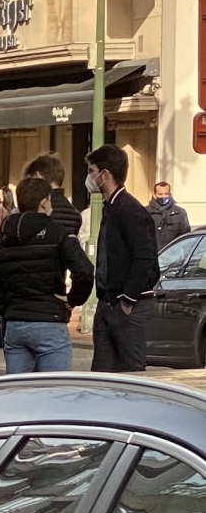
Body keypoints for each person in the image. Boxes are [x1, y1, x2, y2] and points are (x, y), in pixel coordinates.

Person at [0, 176, 93, 375]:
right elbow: (84, 270)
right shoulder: (58, 233)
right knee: (53, 391)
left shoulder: (3, 238)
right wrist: (72, 300)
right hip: (49, 319)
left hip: (15, 322)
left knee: (19, 392)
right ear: (44, 202)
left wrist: (10, 307)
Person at [87, 144, 161, 374]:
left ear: (105, 174)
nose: (89, 178)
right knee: (102, 374)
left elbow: (144, 257)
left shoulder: (130, 210)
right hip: (109, 301)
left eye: (91, 171)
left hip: (126, 303)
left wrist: (127, 300)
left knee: (131, 373)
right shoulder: (113, 208)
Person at [151, 180, 191, 250]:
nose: (163, 197)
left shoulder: (180, 212)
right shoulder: (146, 212)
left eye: (166, 194)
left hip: (174, 257)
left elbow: (186, 237)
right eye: (160, 194)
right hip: (153, 256)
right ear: (154, 195)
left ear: (170, 194)